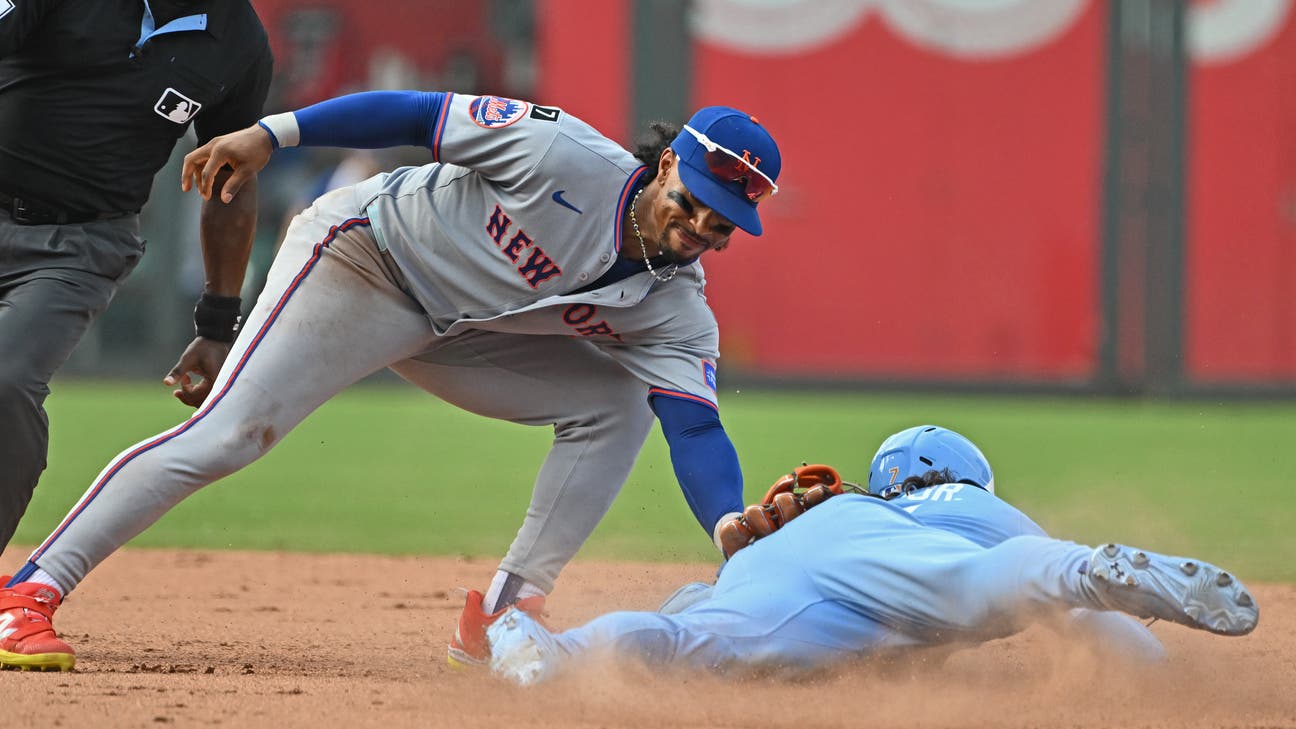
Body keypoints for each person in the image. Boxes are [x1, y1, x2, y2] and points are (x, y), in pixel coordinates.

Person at [0, 90, 783, 671]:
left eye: (722, 225)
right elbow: (418, 115)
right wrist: (274, 134)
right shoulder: (561, 155)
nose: (701, 229)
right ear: (669, 162)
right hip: (362, 259)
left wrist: (724, 525)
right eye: (695, 202)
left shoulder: (676, 305)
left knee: (614, 400)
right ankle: (28, 591)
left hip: (453, 328)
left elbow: (694, 424)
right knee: (231, 436)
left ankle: (506, 617)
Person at [485, 425, 1261, 686]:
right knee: (1010, 581)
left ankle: (543, 645)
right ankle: (1093, 565)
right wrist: (1159, 678)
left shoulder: (851, 504)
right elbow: (1097, 635)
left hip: (799, 561)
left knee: (698, 631)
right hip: (924, 569)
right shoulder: (980, 507)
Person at [0, 1, 274, 554]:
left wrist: (218, 325)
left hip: (77, 248)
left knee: (5, 382)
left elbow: (232, 181)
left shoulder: (239, 43)